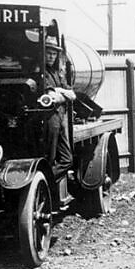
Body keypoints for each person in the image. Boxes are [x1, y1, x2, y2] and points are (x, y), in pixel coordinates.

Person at [42, 37, 76, 176]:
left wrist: (58, 91)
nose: (51, 56)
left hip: (60, 119)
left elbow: (72, 95)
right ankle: (46, 182)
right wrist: (62, 93)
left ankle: (48, 178)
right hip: (50, 120)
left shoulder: (57, 73)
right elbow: (51, 97)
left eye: (54, 54)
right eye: (48, 53)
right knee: (50, 157)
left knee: (67, 160)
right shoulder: (41, 73)